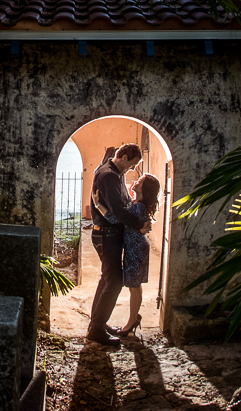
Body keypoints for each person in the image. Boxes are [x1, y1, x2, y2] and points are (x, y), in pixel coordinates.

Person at [85, 143, 146, 347]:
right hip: (106, 235)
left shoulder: (115, 173)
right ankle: (96, 329)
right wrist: (139, 224)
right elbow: (119, 210)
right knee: (114, 282)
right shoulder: (108, 174)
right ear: (125, 157)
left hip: (110, 234)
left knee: (107, 279)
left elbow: (124, 203)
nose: (131, 169)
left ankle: (97, 324)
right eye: (132, 164)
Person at [107, 173, 160, 337]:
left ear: (145, 188)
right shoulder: (136, 203)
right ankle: (134, 317)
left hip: (135, 247)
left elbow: (116, 218)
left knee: (134, 286)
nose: (136, 181)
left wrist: (98, 205)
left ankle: (131, 322)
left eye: (140, 181)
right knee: (134, 286)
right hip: (134, 246)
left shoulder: (138, 207)